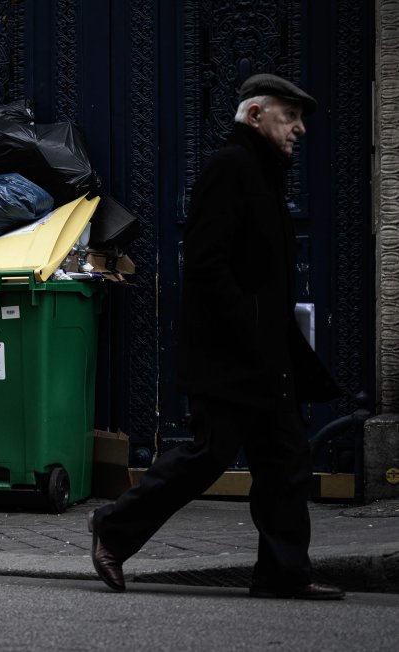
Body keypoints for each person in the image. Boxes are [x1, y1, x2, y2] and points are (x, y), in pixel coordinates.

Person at [88, 73, 344, 600]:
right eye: (289, 115)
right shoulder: (230, 167)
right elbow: (206, 264)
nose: (299, 128)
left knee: (286, 462)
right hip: (232, 354)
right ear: (255, 115)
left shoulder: (263, 172)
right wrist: (247, 329)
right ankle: (112, 530)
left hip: (265, 353)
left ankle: (282, 574)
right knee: (207, 456)